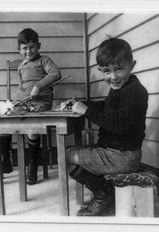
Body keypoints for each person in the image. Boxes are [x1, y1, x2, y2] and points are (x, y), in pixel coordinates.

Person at [66, 38, 148, 216]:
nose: (113, 76)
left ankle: (103, 194)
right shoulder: (124, 87)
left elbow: (118, 125)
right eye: (106, 71)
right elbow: (107, 107)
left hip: (121, 156)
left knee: (64, 156)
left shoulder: (135, 92)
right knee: (75, 151)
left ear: (131, 65)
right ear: (100, 70)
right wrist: (84, 104)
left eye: (119, 69)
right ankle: (105, 191)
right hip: (118, 153)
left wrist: (87, 111)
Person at [0, 28, 62, 185]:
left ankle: (33, 166)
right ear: (19, 49)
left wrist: (39, 86)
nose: (29, 51)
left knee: (31, 126)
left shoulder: (44, 61)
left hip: (40, 101)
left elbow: (56, 74)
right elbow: (22, 87)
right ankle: (5, 162)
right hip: (24, 101)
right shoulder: (21, 66)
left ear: (38, 46)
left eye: (32, 47)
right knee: (5, 119)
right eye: (25, 48)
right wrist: (15, 101)